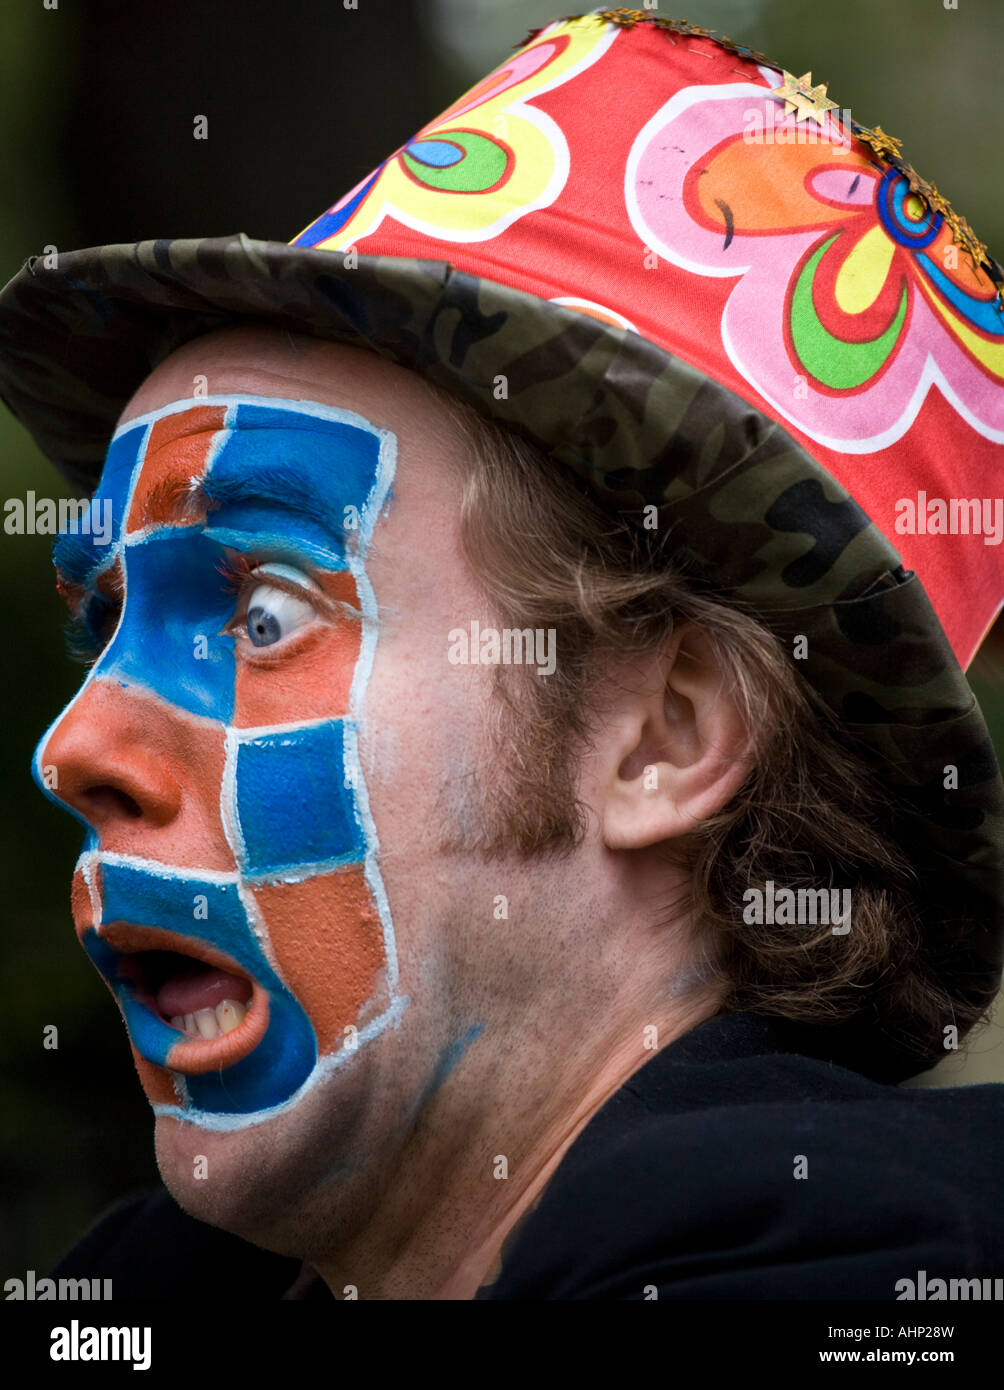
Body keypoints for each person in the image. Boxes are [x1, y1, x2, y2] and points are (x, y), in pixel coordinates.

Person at [1, 9, 1002, 1301]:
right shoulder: (146, 1300)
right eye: (105, 622)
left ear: (664, 738)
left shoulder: (871, 1274)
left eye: (262, 615)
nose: (72, 745)